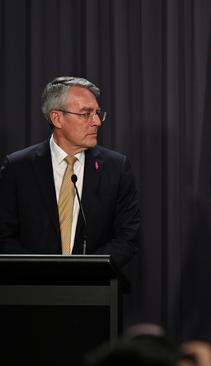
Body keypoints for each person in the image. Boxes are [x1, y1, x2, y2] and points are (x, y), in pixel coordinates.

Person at [0, 76, 140, 267]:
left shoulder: (116, 168)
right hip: (30, 289)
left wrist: (83, 271)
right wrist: (41, 272)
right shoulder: (18, 168)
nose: (97, 121)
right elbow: (4, 236)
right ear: (57, 118)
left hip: (93, 289)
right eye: (86, 114)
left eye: (98, 113)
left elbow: (128, 237)